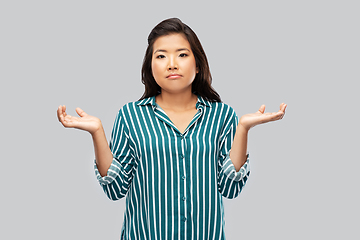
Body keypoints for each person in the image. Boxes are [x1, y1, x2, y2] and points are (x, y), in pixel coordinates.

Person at [57, 18, 286, 240]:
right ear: (151, 66)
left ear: (197, 65)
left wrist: (243, 128)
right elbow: (115, 189)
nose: (172, 63)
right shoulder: (130, 116)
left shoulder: (222, 115)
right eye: (161, 56)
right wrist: (97, 132)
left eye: (182, 54)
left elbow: (230, 187)